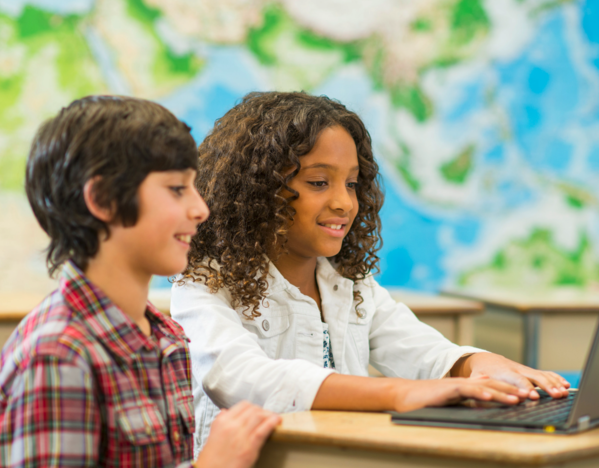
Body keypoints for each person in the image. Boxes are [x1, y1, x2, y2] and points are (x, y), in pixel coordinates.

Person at [171, 91, 571, 454]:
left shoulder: (350, 285)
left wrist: (478, 365)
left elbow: (423, 352)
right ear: (256, 190)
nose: (344, 202)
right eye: (318, 182)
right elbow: (239, 378)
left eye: (351, 183)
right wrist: (398, 393)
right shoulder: (204, 284)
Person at [0, 96, 280, 468]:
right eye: (177, 189)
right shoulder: (59, 355)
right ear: (103, 199)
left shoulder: (167, 337)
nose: (201, 209)